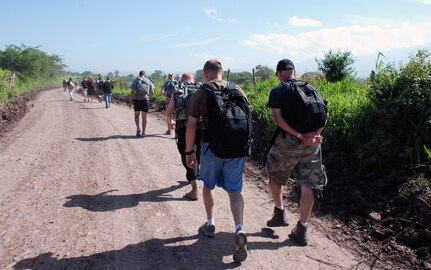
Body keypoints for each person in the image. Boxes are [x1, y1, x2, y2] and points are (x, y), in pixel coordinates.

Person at [185, 59, 248, 263]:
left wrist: (189, 151)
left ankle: (210, 224)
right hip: (237, 149)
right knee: (235, 192)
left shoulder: (202, 93)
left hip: (211, 148)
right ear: (221, 72)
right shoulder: (237, 89)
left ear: (205, 73)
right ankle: (239, 228)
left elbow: (192, 126)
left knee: (208, 185)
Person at [265, 59, 328, 246]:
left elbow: (278, 119)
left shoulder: (278, 90)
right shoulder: (311, 89)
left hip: (289, 142)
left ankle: (280, 212)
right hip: (312, 144)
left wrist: (300, 135)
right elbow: (324, 115)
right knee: (307, 185)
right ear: (294, 71)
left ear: (278, 74)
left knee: (275, 174)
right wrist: (314, 135)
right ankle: (302, 228)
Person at [166, 72, 202, 200]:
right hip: (201, 126)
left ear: (182, 79)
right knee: (198, 151)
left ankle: (194, 186)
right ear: (194, 79)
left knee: (186, 153)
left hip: (183, 126)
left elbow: (169, 112)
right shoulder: (202, 88)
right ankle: (197, 174)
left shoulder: (177, 89)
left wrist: (170, 122)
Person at [129, 70, 155, 137]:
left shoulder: (136, 81)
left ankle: (138, 128)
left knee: (136, 116)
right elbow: (152, 92)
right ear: (145, 74)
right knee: (144, 117)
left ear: (139, 74)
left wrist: (130, 101)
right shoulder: (148, 81)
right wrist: (148, 97)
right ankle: (143, 132)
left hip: (137, 100)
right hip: (145, 100)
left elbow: (132, 92)